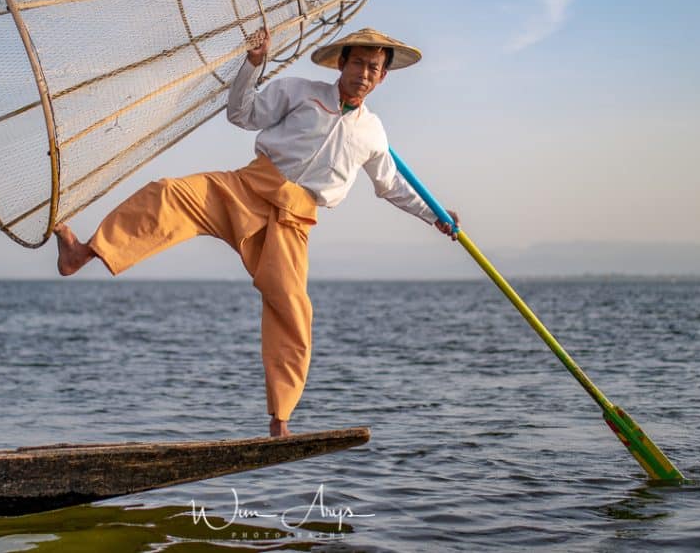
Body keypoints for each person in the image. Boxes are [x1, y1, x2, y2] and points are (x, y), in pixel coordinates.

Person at [53, 27, 458, 437]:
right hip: (247, 187)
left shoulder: (373, 132)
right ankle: (83, 253)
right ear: (342, 63)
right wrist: (253, 64)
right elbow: (242, 114)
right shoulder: (300, 91)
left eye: (374, 68)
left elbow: (390, 185)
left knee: (293, 311)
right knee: (168, 194)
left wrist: (435, 216)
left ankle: (279, 420)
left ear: (383, 77)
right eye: (357, 63)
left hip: (292, 222)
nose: (364, 74)